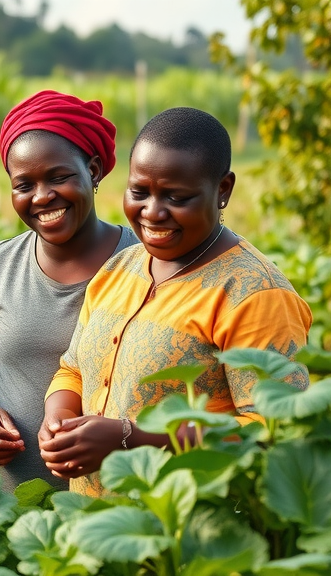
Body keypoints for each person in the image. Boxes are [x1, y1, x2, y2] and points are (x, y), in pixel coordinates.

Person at [39, 107, 312, 496]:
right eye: (138, 192)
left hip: (190, 534)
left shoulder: (256, 294)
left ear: (223, 190)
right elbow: (74, 368)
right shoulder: (119, 268)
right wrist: (58, 417)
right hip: (95, 527)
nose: (152, 211)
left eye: (176, 196)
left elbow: (274, 430)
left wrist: (131, 438)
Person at [0, 90, 138, 493]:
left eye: (59, 177)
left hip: (112, 499)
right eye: (24, 184)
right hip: (5, 499)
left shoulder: (143, 263)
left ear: (95, 169)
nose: (42, 196)